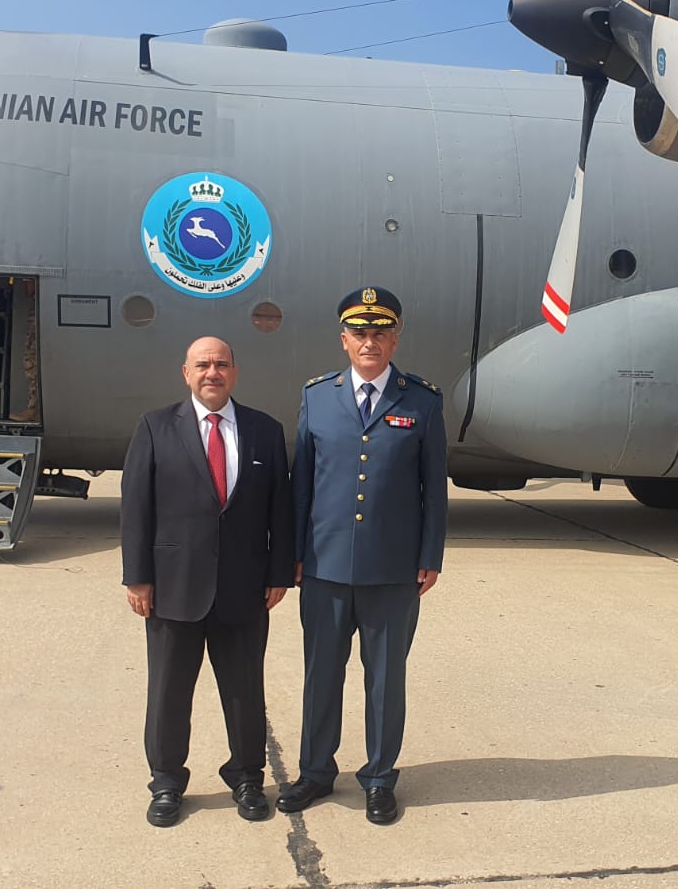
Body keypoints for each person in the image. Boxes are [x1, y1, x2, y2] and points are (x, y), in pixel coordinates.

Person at [277, 287, 448, 825]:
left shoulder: (421, 401)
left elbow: (434, 488)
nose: (369, 342)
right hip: (324, 566)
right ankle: (315, 772)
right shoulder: (317, 397)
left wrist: (430, 554)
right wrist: (294, 554)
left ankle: (378, 778)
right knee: (321, 675)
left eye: (380, 332)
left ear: (395, 339)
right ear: (344, 340)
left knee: (385, 680)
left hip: (393, 570)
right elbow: (301, 483)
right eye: (360, 333)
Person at [120, 336, 294, 827]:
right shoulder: (155, 427)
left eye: (221, 364)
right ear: (186, 373)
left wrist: (279, 572)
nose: (212, 372)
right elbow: (136, 508)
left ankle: (247, 776)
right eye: (202, 365)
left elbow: (280, 509)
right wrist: (138, 578)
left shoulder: (265, 430)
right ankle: (167, 781)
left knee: (245, 690)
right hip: (172, 588)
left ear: (234, 372)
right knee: (169, 692)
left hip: (244, 587)